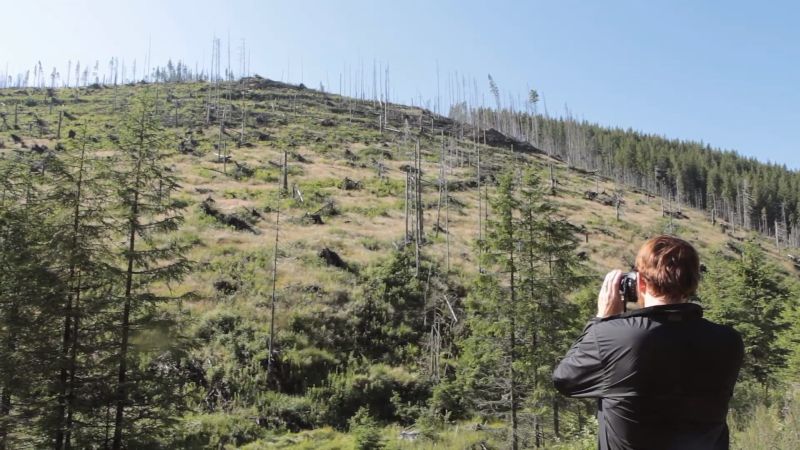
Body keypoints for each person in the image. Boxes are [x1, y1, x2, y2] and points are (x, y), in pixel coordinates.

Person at [553, 235, 743, 450]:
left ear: (639, 282)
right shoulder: (728, 340)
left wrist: (601, 320)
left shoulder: (613, 337)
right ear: (693, 281)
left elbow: (565, 380)